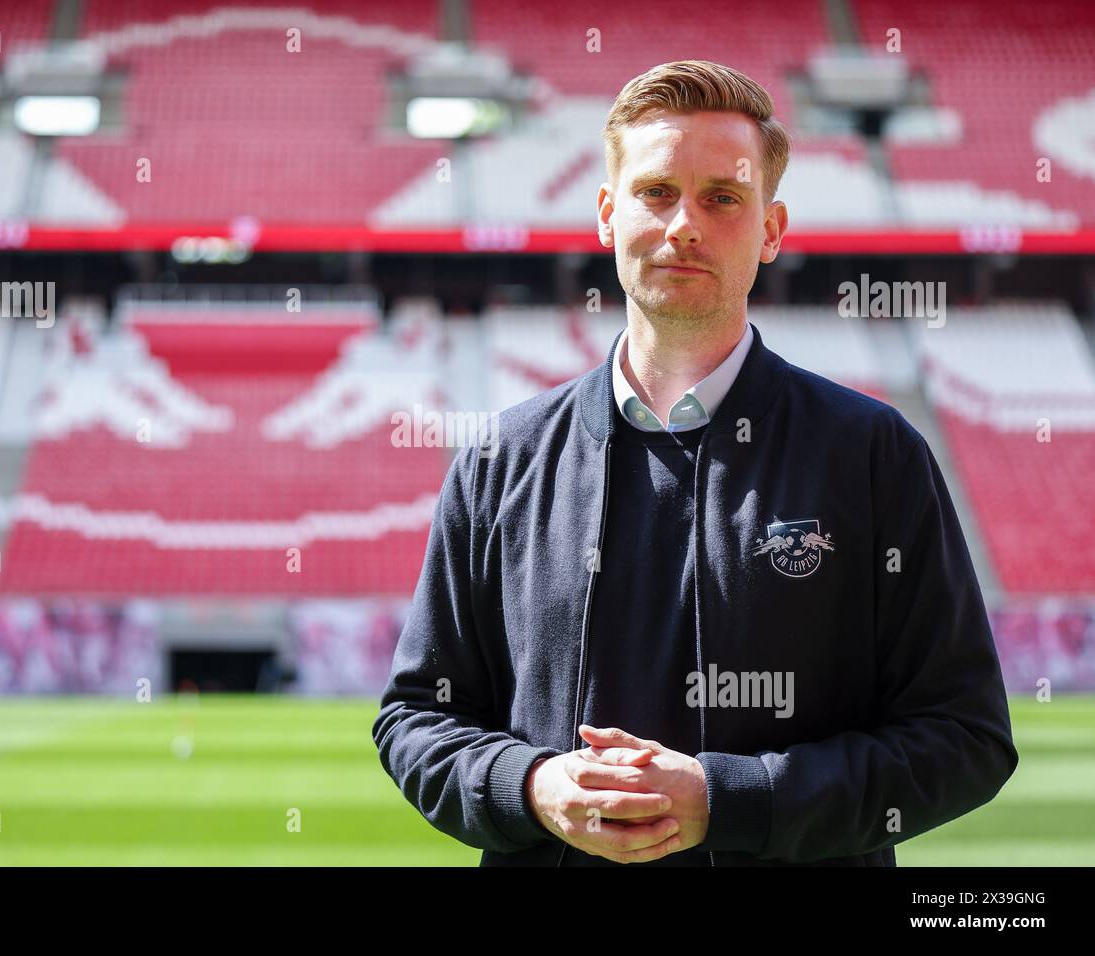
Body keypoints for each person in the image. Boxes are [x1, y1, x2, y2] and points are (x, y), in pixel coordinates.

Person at [372, 60, 1017, 866]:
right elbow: (416, 720)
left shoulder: (873, 453)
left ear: (771, 229)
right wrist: (532, 786)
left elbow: (966, 738)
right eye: (654, 192)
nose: (683, 224)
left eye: (722, 198)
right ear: (607, 215)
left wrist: (728, 798)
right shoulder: (500, 460)